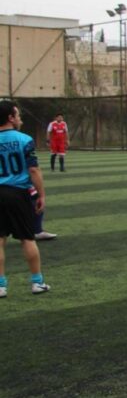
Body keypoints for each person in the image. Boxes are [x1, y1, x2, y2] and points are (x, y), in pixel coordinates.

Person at [0, 100, 50, 296]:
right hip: (18, 193)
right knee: (27, 239)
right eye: (18, 115)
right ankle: (37, 282)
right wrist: (41, 195)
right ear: (11, 118)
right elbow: (33, 169)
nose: (20, 118)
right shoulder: (24, 139)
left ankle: (1, 286)